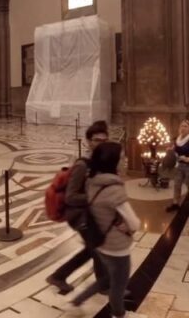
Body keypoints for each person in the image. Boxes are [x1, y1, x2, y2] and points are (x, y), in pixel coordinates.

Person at [66, 142, 140, 318]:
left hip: (98, 241)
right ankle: (119, 314)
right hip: (116, 246)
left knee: (106, 279)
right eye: (122, 158)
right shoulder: (114, 189)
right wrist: (125, 224)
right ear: (113, 162)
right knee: (118, 285)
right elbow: (135, 224)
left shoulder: (93, 181)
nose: (125, 161)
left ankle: (76, 302)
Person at [46, 120, 110, 295]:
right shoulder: (82, 165)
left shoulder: (100, 163)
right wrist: (95, 197)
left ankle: (60, 276)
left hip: (90, 214)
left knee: (95, 248)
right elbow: (71, 197)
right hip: (79, 215)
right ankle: (102, 285)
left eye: (105, 141)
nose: (101, 144)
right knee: (96, 248)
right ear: (89, 141)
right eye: (97, 140)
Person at [167, 119, 189, 212]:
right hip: (179, 166)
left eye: (185, 126)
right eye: (181, 126)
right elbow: (176, 151)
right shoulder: (178, 139)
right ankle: (175, 203)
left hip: (188, 166)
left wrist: (187, 159)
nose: (183, 128)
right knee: (177, 185)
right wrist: (171, 150)